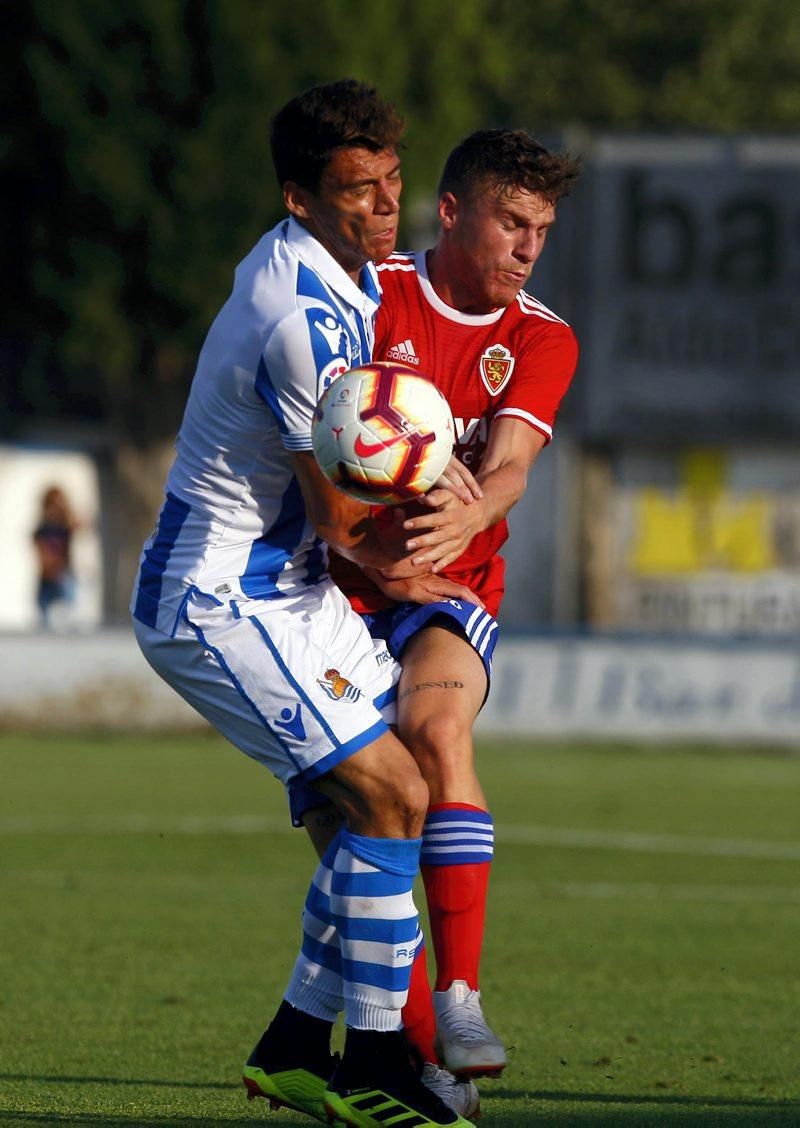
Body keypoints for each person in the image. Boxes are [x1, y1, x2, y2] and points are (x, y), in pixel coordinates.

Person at [131, 80, 478, 1128]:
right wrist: (414, 560)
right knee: (386, 798)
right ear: (298, 197)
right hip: (220, 596)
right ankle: (373, 1074)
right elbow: (336, 515)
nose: (381, 206)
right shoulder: (297, 319)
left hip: (283, 589)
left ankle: (292, 1049)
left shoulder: (342, 272)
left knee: (376, 807)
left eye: (389, 182)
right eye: (352, 190)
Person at [296, 128, 580, 1099]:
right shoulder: (371, 296)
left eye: (540, 229)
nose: (527, 247)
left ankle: (458, 995)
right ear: (451, 213)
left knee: (435, 727)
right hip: (324, 595)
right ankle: (419, 1058)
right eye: (511, 222)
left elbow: (507, 468)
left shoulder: (541, 337)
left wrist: (472, 506)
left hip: (447, 595)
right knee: (355, 837)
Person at [32, 485, 77, 628]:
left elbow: (79, 524)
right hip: (47, 578)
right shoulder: (42, 529)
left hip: (64, 576)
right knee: (44, 620)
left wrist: (66, 511)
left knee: (68, 611)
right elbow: (41, 552)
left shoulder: (66, 527)